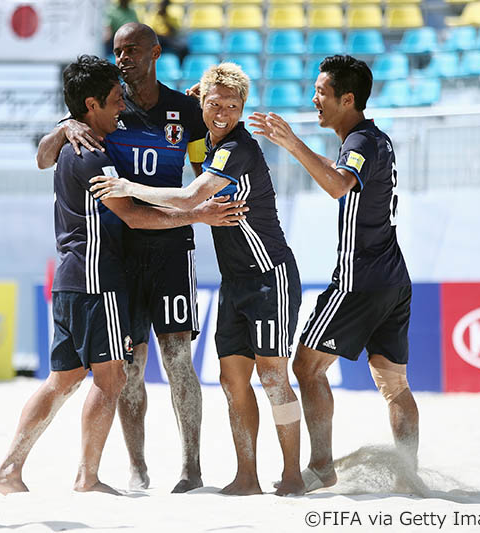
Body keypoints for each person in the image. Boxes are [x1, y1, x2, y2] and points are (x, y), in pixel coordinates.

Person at [0, 55, 247, 497]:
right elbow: (130, 215)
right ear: (92, 106)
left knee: (67, 379)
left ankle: (10, 469)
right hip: (101, 277)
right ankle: (91, 476)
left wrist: (203, 105)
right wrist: (198, 214)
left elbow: (202, 152)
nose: (120, 108)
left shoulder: (92, 141)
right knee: (113, 378)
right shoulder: (93, 154)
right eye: (113, 101)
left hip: (80, 275)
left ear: (155, 54)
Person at [91, 62, 305, 496]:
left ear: (243, 108)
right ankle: (247, 477)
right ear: (202, 104)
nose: (223, 113)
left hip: (270, 278)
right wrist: (198, 99)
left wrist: (129, 188)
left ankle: (293, 475)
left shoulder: (237, 148)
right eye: (215, 105)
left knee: (273, 378)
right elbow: (195, 136)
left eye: (232, 106)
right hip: (234, 283)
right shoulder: (208, 141)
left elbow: (191, 197)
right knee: (232, 380)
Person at [36, 22, 210, 493]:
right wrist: (63, 126)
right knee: (130, 368)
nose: (123, 58)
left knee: (178, 359)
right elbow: (44, 157)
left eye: (132, 49)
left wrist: (214, 112)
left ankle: (191, 469)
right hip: (121, 253)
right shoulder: (107, 106)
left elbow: (203, 168)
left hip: (171, 249)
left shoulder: (184, 110)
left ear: (156, 52)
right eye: (117, 50)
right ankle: (138, 467)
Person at [249, 55, 418, 492]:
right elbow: (345, 177)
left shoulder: (360, 141)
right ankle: (408, 476)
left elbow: (338, 185)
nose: (314, 99)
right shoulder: (375, 139)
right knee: (395, 385)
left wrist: (291, 143)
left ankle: (322, 467)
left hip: (360, 279)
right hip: (394, 278)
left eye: (321, 92)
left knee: (306, 367)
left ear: (347, 99)